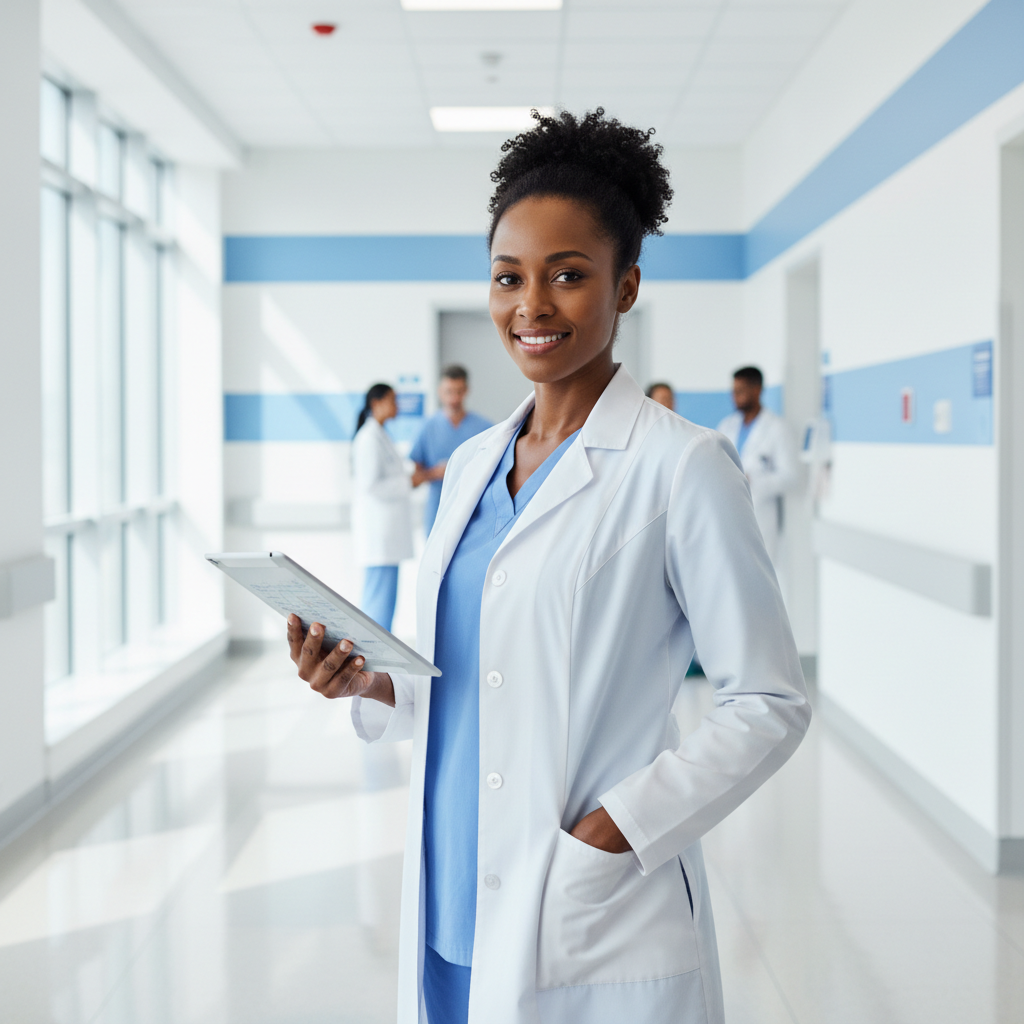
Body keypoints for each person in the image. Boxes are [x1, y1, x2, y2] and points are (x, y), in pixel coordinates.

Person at [288, 109, 809, 1024]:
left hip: (582, 903)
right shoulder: (468, 467)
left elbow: (767, 701)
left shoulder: (680, 466)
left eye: (569, 275)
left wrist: (616, 835)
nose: (532, 305)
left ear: (627, 285)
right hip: (452, 884)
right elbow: (464, 673)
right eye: (508, 277)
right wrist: (368, 681)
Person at [350, 383, 421, 632]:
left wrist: (413, 476)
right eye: (392, 400)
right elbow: (372, 486)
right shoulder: (368, 439)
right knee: (377, 604)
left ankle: (376, 657)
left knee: (384, 603)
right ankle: (371, 659)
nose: (396, 406)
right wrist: (409, 481)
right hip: (378, 536)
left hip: (386, 538)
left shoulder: (379, 435)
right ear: (376, 403)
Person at [716, 366, 797, 564]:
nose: (734, 396)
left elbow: (790, 477)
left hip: (761, 517)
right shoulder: (727, 426)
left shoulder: (777, 428)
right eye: (733, 391)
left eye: (740, 391)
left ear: (757, 390)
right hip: (729, 513)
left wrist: (752, 480)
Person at [410, 366, 492, 534]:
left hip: (474, 511)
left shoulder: (485, 428)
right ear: (440, 391)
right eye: (449, 392)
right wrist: (438, 473)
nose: (454, 398)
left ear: (466, 391)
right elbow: (414, 479)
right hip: (437, 511)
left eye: (459, 392)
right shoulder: (427, 428)